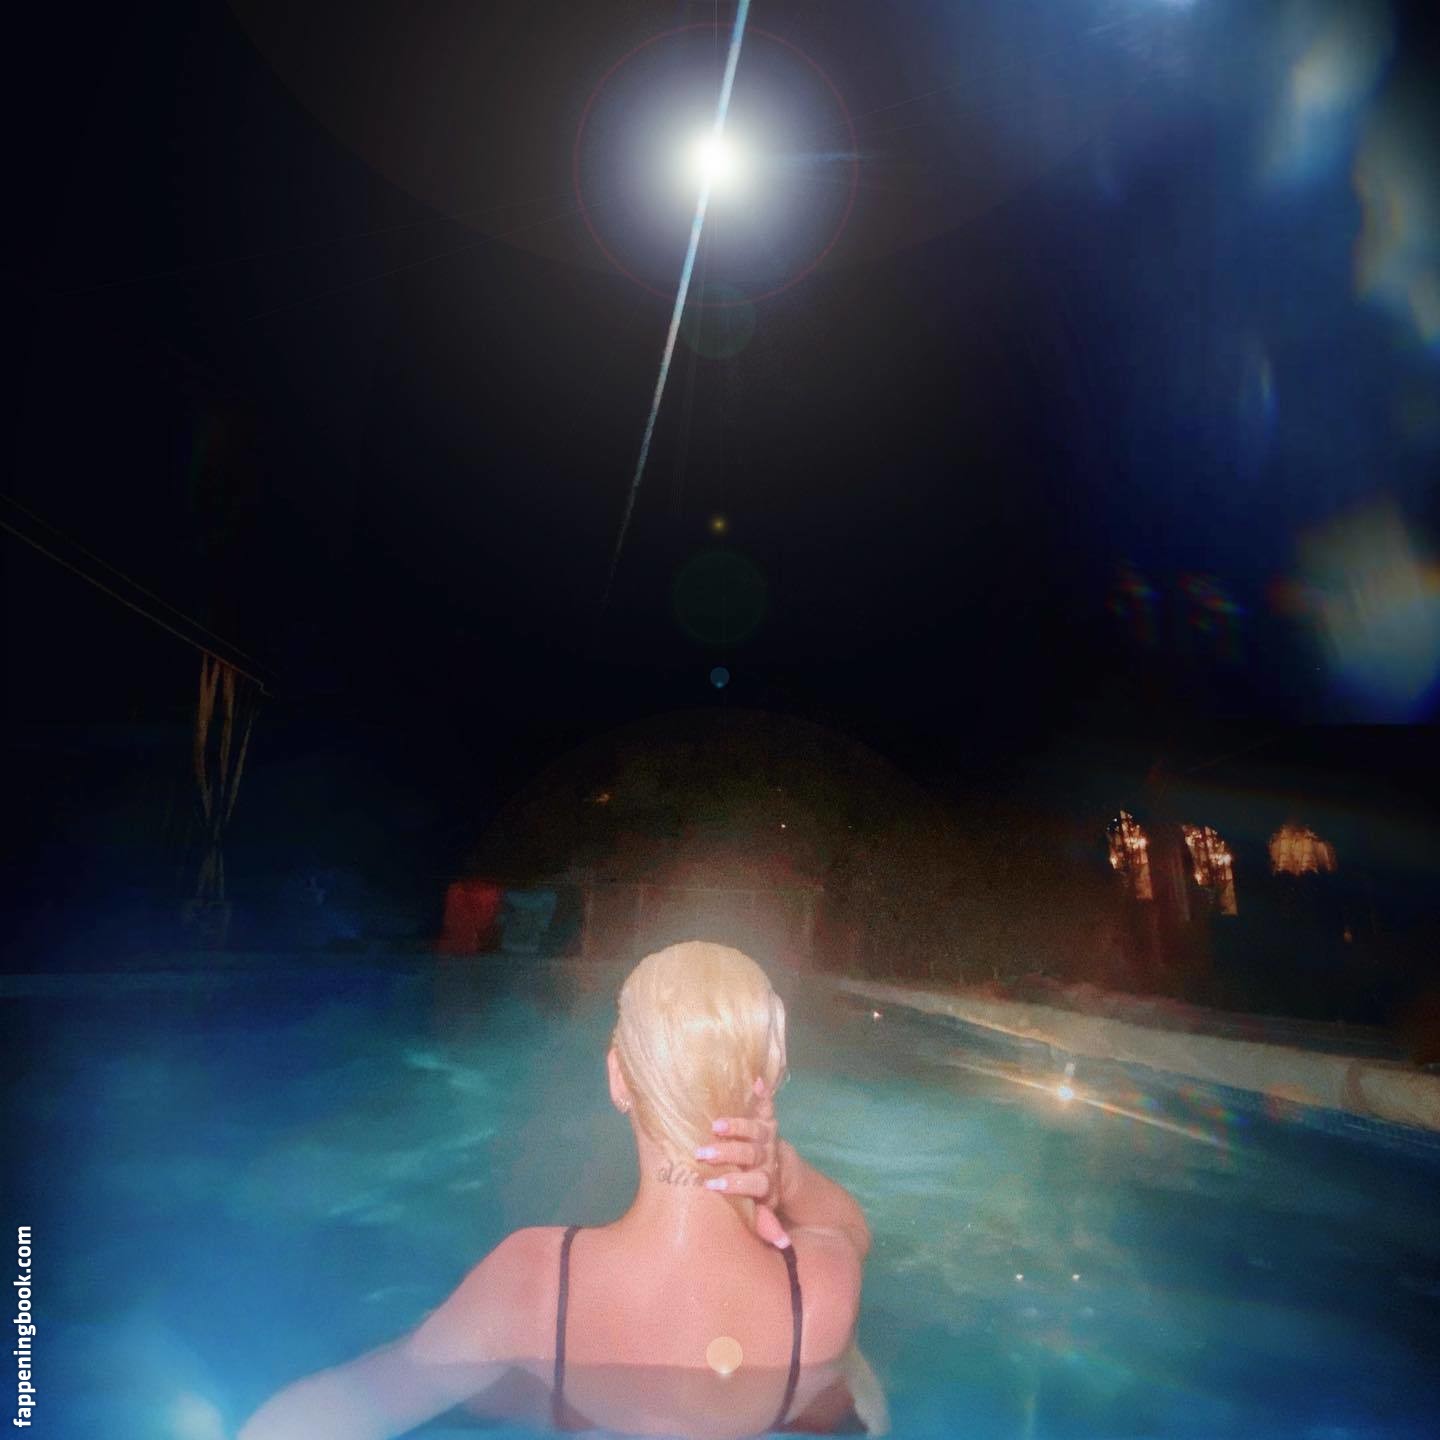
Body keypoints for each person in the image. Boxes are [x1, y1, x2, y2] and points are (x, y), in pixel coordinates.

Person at [239, 941, 887, 1439]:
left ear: (618, 1077)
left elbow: (346, 1405)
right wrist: (786, 1173)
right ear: (768, 1080)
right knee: (839, 1392)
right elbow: (849, 1229)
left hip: (561, 1370)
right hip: (786, 1379)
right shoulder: (823, 1288)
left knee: (477, 1376)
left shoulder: (532, 1281)